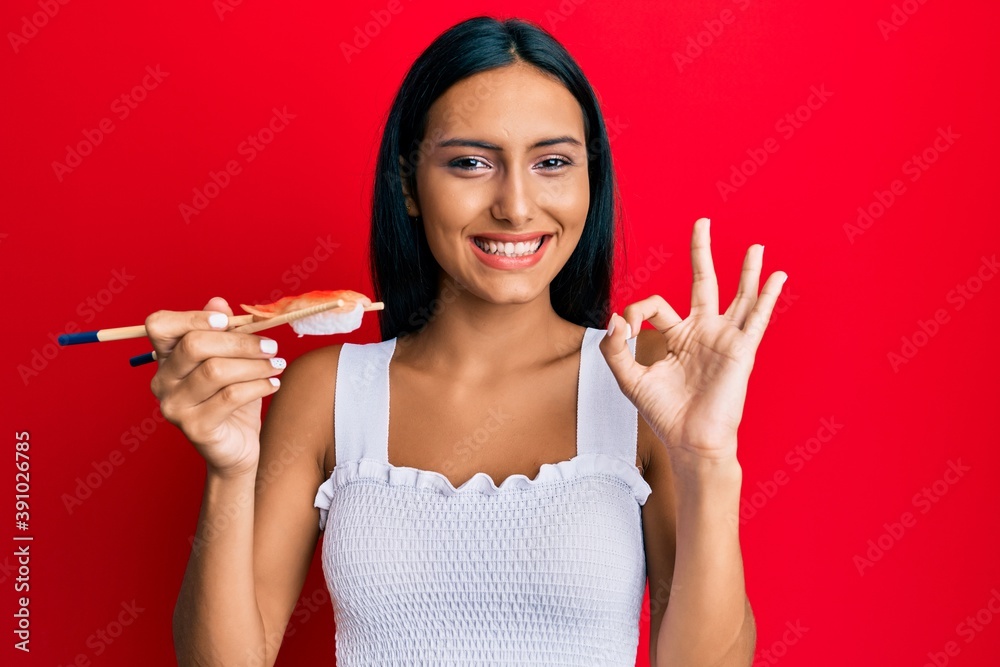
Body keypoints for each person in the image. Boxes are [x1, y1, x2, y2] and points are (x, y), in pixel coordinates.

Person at [147, 15, 786, 667]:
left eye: (553, 162)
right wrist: (228, 471)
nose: (515, 205)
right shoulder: (326, 392)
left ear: (590, 180)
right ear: (408, 183)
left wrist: (707, 460)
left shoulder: (643, 382)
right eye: (471, 162)